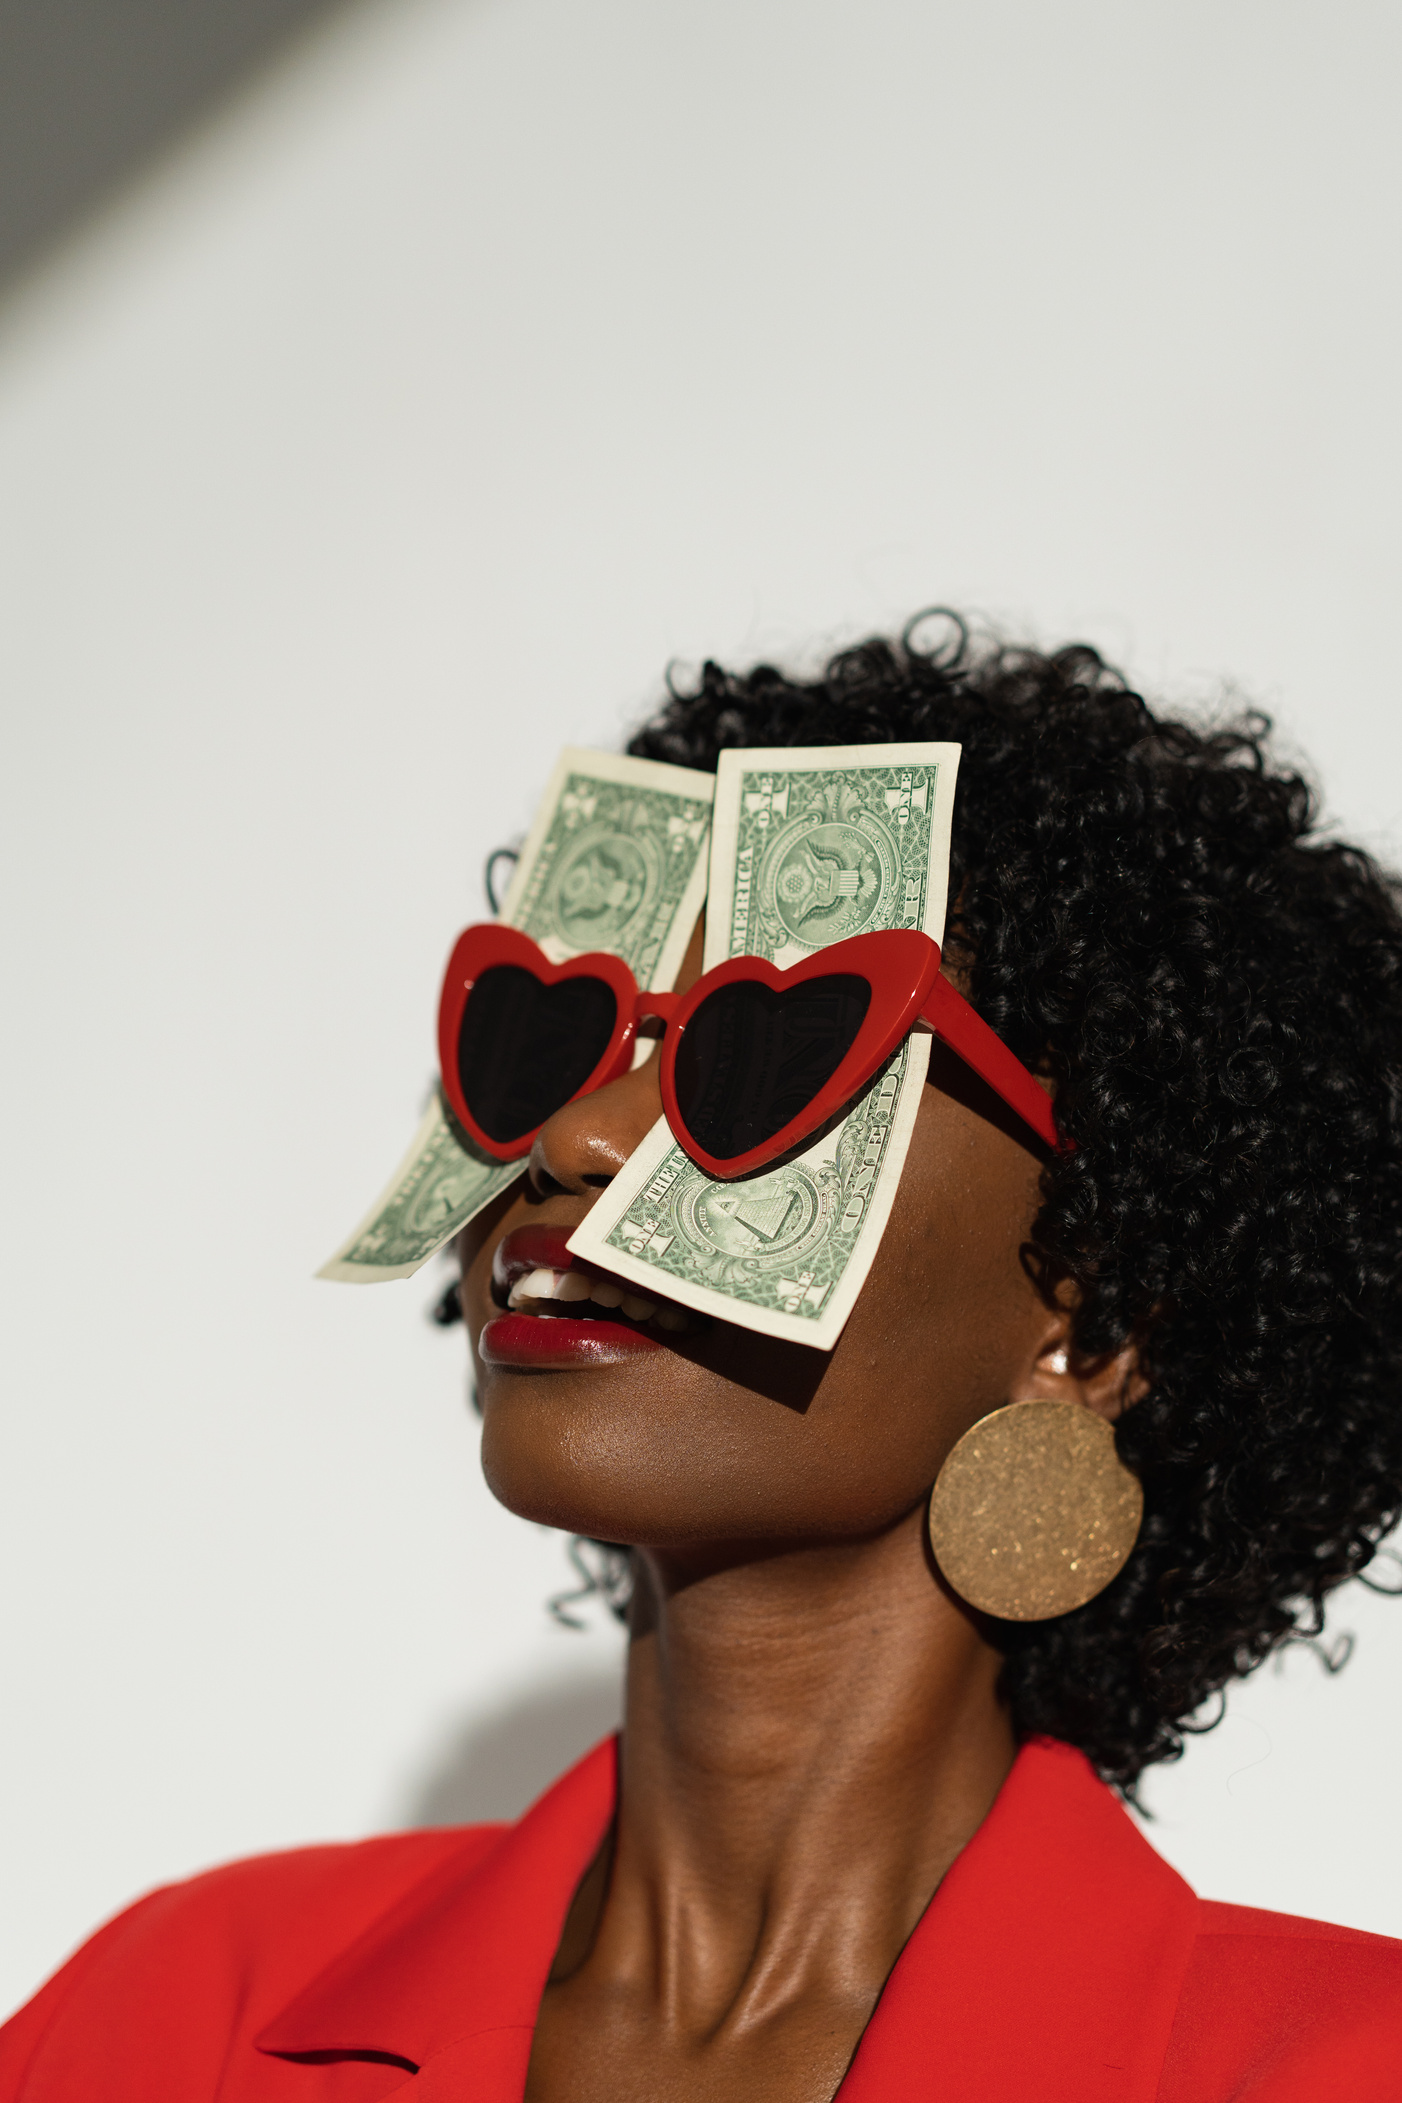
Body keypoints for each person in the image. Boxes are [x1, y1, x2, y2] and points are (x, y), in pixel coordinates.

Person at [6, 615, 1402, 2101]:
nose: (575, 1137)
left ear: (1094, 1315)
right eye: (561, 1050)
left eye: (757, 1061)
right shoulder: (183, 2017)